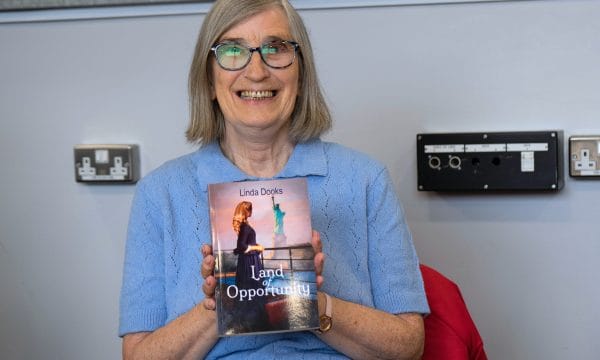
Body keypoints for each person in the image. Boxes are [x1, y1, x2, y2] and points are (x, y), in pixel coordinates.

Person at [119, 0, 430, 358]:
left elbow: (409, 347)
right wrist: (223, 300)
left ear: (301, 76)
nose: (257, 71)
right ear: (208, 79)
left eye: (276, 48)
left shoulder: (365, 179)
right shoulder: (160, 194)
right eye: (233, 51)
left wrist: (309, 300)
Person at [231, 201, 268, 331]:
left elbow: (246, 243)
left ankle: (250, 321)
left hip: (248, 260)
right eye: (250, 210)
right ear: (246, 211)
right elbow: (242, 246)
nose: (252, 212)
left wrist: (257, 246)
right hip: (249, 261)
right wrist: (258, 247)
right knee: (253, 288)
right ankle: (255, 322)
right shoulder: (245, 227)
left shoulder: (245, 225)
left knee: (248, 290)